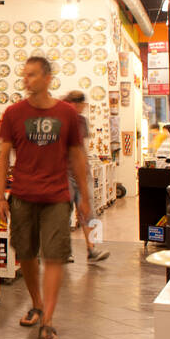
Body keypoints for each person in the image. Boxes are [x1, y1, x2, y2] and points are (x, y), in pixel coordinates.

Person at [0, 56, 90, 339]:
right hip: (22, 195)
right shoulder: (13, 113)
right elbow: (2, 157)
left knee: (54, 256)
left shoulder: (66, 114)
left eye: (33, 75)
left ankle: (48, 319)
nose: (27, 80)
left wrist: (84, 197)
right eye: (25, 75)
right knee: (24, 253)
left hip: (57, 197)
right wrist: (0, 195)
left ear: (48, 78)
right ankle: (36, 303)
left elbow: (76, 156)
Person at [62, 91, 108, 263]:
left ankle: (93, 249)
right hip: (64, 172)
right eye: (78, 104)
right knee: (64, 213)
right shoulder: (61, 119)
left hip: (81, 171)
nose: (80, 108)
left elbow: (81, 148)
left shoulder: (82, 121)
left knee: (89, 211)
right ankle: (65, 251)